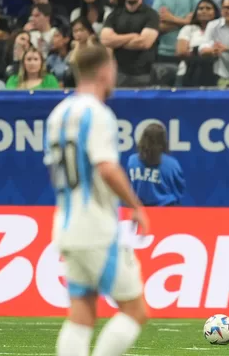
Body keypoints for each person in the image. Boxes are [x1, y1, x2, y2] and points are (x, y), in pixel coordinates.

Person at [45, 44, 149, 356]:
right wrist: (136, 205)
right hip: (95, 228)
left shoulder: (58, 114)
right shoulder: (97, 113)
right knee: (135, 310)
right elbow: (106, 167)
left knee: (82, 313)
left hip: (65, 223)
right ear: (105, 70)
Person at [127, 123, 186, 206]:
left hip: (139, 212)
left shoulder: (132, 160)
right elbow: (179, 191)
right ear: (163, 141)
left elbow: (128, 186)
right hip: (166, 213)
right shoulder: (172, 164)